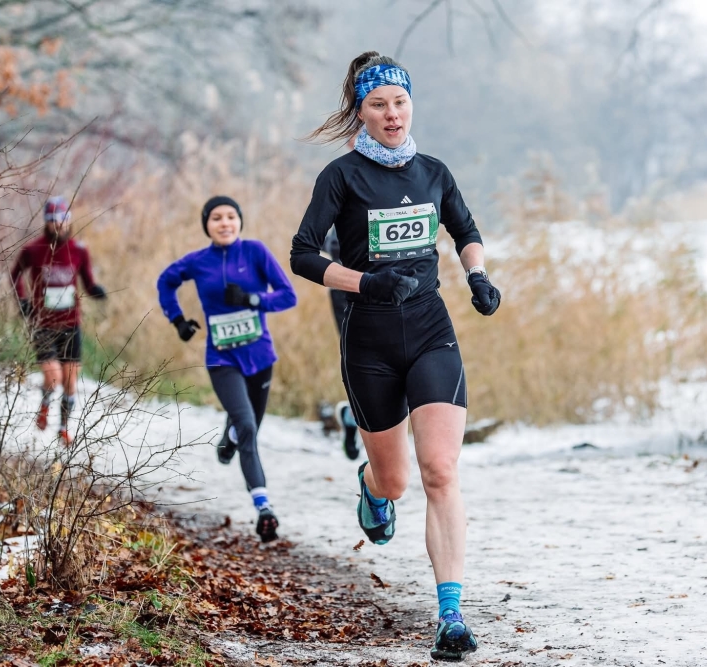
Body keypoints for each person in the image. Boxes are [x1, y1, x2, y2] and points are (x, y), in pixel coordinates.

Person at [290, 51, 501, 662]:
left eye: (400, 103)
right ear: (361, 110)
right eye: (378, 105)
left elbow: (465, 230)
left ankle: (450, 616)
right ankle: (370, 485)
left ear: (412, 106)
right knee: (398, 481)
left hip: (432, 332)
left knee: (441, 472)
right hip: (370, 342)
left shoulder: (433, 171)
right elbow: (303, 255)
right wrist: (366, 283)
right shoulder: (342, 176)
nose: (391, 114)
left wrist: (478, 277)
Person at [157, 196, 297, 543]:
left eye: (231, 216)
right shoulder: (198, 261)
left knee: (245, 429)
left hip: (261, 357)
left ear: (240, 221)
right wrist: (177, 321)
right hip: (222, 359)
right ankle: (264, 508)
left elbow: (287, 295)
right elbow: (165, 282)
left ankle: (228, 437)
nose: (224, 223)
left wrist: (253, 300)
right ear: (206, 224)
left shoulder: (256, 252)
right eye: (216, 218)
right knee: (248, 427)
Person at [10, 196, 107, 446]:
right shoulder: (33, 250)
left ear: (69, 221)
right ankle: (44, 405)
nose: (59, 225)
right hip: (42, 322)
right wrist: (22, 301)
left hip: (71, 323)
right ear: (46, 223)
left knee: (70, 382)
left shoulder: (79, 250)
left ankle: (63, 427)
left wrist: (96, 291)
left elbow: (87, 280)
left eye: (63, 219)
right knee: (53, 377)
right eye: (53, 220)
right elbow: (15, 275)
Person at [322, 227, 361, 460]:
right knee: (363, 359)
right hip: (347, 290)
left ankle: (351, 414)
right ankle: (354, 415)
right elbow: (319, 241)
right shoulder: (345, 193)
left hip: (394, 289)